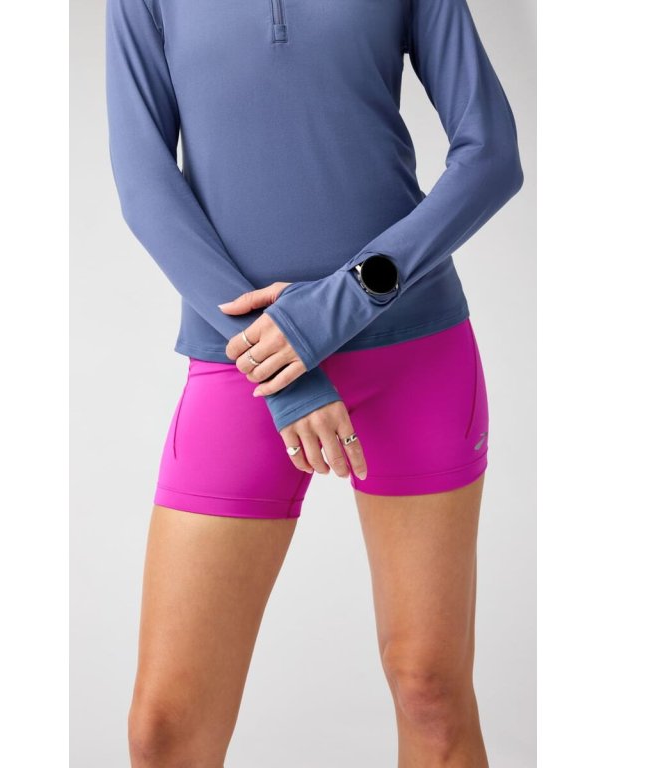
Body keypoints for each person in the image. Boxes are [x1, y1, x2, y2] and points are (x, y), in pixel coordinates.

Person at [105, 0, 523, 764]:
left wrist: (338, 306)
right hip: (246, 366)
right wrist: (281, 370)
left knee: (430, 691)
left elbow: (491, 155)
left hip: (412, 352)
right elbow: (145, 184)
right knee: (163, 729)